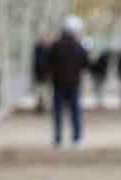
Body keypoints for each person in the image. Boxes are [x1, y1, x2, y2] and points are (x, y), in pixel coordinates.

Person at [48, 15, 90, 147]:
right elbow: (86, 64)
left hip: (58, 83)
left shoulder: (56, 45)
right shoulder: (79, 46)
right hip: (74, 84)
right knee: (75, 112)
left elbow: (50, 63)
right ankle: (77, 138)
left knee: (58, 112)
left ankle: (58, 138)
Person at [32, 33, 53, 113]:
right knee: (40, 91)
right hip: (40, 75)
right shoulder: (39, 49)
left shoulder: (49, 49)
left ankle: (43, 106)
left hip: (46, 75)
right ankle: (40, 106)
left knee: (45, 92)